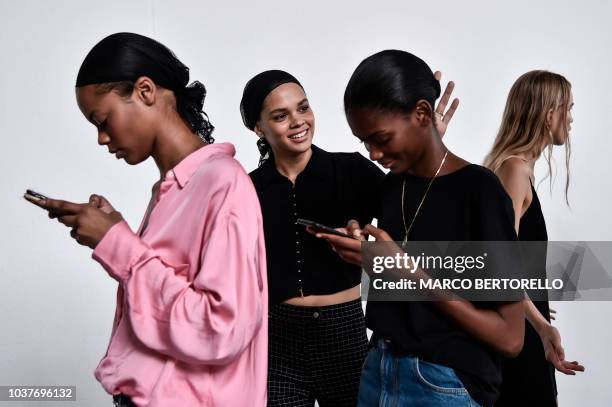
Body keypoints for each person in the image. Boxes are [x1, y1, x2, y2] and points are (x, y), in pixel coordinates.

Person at [24, 32, 268, 406]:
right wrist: (115, 233)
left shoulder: (223, 183)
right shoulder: (171, 191)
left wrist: (118, 244)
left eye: (103, 120)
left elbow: (220, 327)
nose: (102, 139)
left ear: (145, 91)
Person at [314, 50, 526, 407]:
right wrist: (369, 257)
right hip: (377, 371)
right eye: (364, 141)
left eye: (381, 138)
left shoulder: (480, 191)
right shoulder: (393, 185)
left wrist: (406, 271)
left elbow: (510, 337)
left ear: (422, 113)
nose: (373, 154)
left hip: (444, 382)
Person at [241, 69, 458, 406]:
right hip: (276, 340)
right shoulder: (246, 188)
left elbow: (411, 211)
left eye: (303, 108)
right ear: (259, 127)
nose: (298, 121)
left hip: (344, 333)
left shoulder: (351, 170)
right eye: (281, 116)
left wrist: (425, 148)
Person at [484, 70, 585, 406]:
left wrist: (534, 302)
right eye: (567, 108)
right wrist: (541, 326)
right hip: (519, 340)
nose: (571, 119)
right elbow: (496, 265)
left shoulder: (519, 167)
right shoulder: (514, 169)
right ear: (548, 113)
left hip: (523, 326)